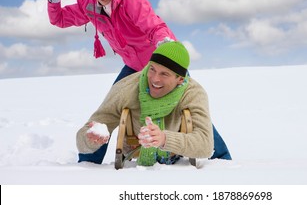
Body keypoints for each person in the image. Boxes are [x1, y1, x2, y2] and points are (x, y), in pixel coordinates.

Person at [43, 0, 231, 162]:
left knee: (185, 103)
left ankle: (222, 158)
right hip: (133, 66)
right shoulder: (89, 7)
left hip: (162, 63)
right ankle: (88, 162)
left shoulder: (130, 0)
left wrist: (164, 42)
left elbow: (153, 24)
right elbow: (59, 19)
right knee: (110, 107)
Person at [76, 41, 213, 166]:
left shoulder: (193, 93)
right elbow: (83, 138)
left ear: (180, 79)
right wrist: (90, 138)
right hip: (133, 158)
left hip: (175, 158)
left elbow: (206, 144)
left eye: (164, 74)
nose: (154, 79)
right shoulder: (126, 88)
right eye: (152, 69)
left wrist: (164, 138)